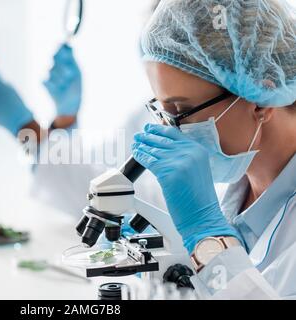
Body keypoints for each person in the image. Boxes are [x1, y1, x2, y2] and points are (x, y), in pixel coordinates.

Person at [132, 0, 296, 299]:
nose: (172, 129)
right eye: (164, 111)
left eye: (182, 109)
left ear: (260, 98)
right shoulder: (229, 181)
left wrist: (207, 237)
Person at [0, 43, 166, 219]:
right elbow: (104, 166)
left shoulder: (185, 118)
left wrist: (25, 129)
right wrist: (64, 122)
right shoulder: (151, 108)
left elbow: (123, 201)